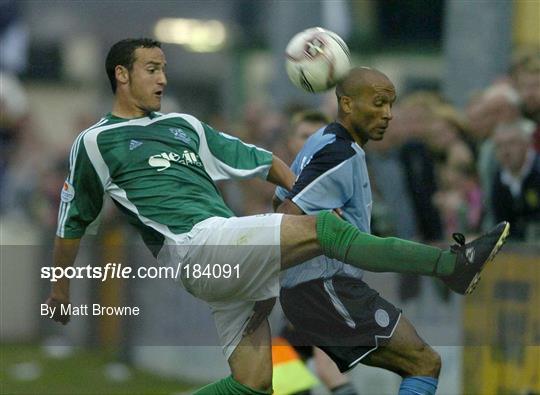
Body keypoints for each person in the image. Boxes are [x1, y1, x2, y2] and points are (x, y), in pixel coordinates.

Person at [45, 39, 509, 394]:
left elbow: (262, 161)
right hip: (197, 246)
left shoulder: (183, 126)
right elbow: (73, 219)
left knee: (254, 384)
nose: (163, 79)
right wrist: (60, 288)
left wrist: (298, 192)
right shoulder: (94, 141)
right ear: (121, 75)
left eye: (164, 68)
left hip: (225, 251)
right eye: (152, 69)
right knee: (327, 229)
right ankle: (450, 265)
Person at [274, 67, 508, 395]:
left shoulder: (324, 142)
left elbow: (282, 203)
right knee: (421, 363)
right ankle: (452, 266)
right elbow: (285, 216)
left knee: (418, 362)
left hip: (318, 288)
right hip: (324, 288)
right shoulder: (337, 153)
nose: (388, 114)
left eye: (391, 104)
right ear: (348, 105)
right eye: (378, 103)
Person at [491, 118, 540, 240]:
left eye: (511, 143)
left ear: (527, 144)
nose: (505, 151)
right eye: (499, 146)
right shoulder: (498, 179)